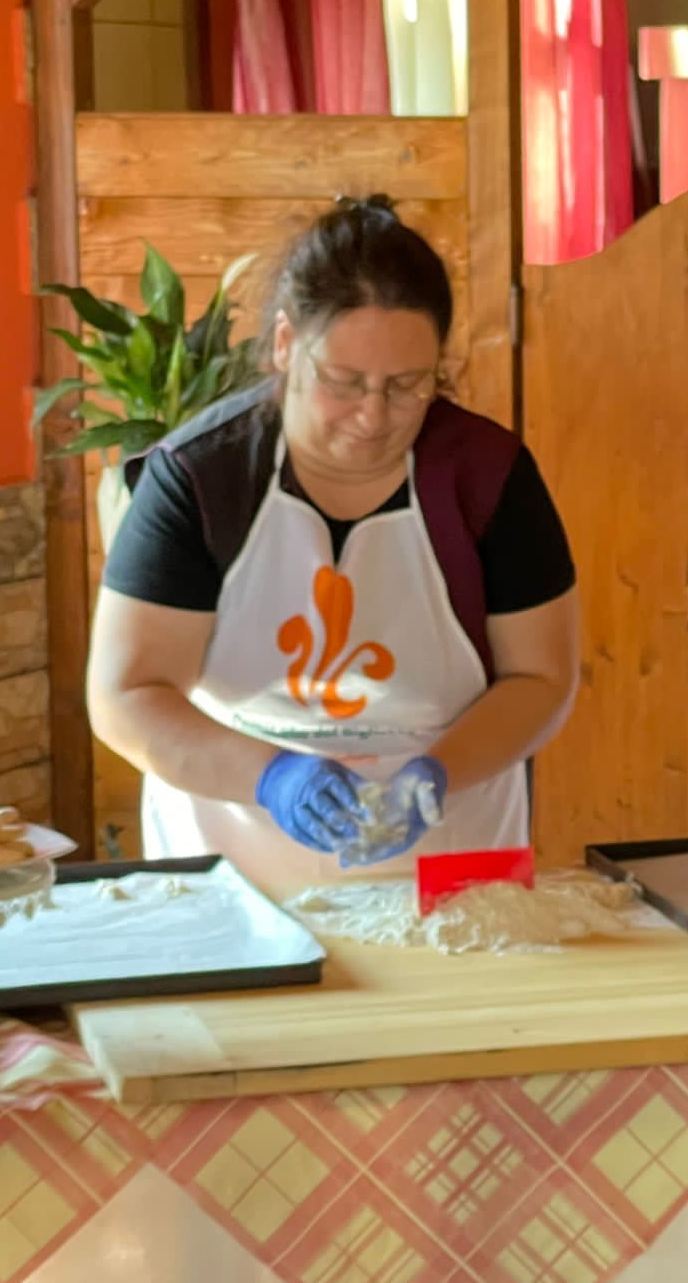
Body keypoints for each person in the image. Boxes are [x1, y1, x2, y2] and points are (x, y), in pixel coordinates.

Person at [87, 197, 580, 887]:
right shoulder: (201, 477)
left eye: (408, 386)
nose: (374, 416)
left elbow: (542, 678)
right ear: (287, 345)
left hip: (450, 846)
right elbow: (126, 694)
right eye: (343, 383)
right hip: (235, 845)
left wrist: (436, 772)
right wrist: (275, 778)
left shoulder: (488, 476)